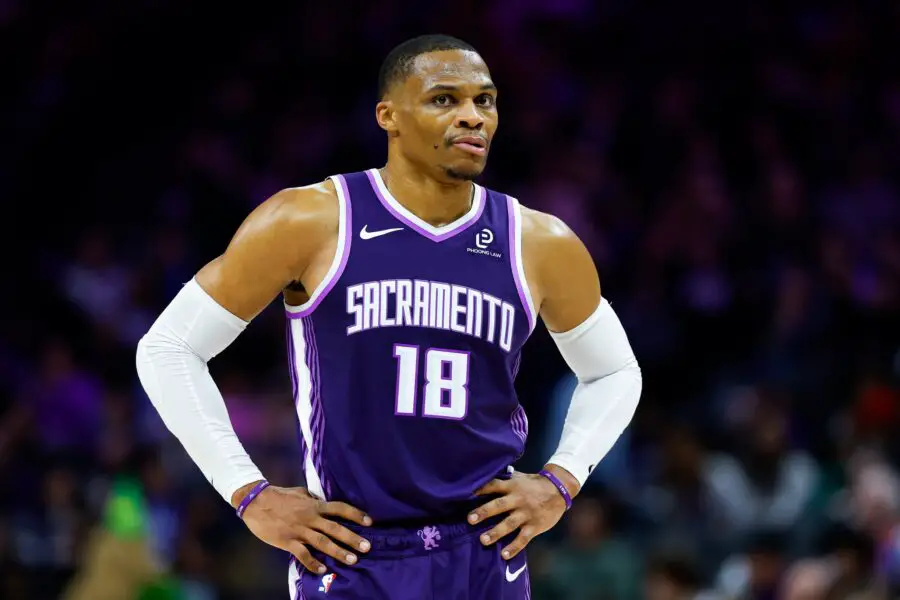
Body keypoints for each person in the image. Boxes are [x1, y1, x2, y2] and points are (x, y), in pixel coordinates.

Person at [136, 34, 642, 599]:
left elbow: (616, 372)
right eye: (444, 100)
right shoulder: (310, 219)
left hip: (485, 552)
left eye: (486, 100)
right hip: (354, 553)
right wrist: (247, 492)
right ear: (389, 116)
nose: (473, 117)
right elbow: (168, 349)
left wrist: (562, 480)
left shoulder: (538, 241)